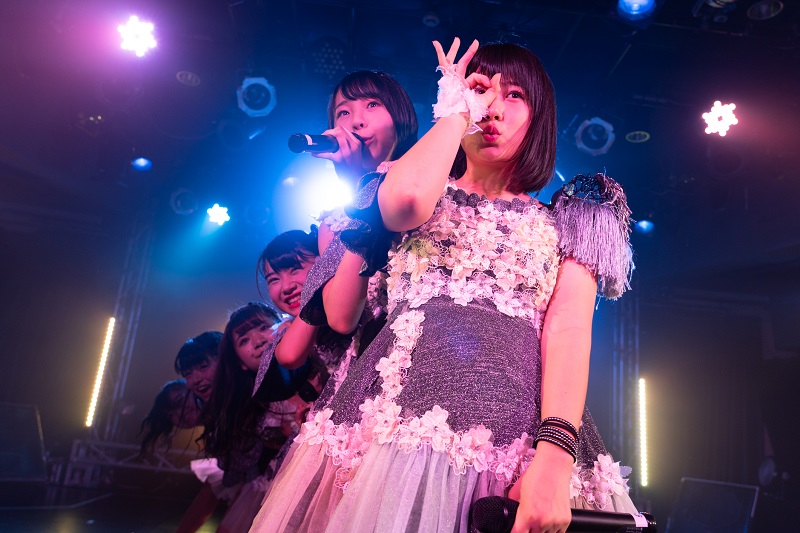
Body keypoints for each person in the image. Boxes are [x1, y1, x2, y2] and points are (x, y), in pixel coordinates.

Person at [249, 37, 637, 533]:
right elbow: (405, 201)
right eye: (481, 90)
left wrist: (556, 457)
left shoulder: (571, 216)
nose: (492, 107)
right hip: (393, 428)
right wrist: (454, 110)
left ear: (540, 113)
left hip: (514, 440)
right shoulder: (409, 190)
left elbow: (569, 330)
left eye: (514, 94)